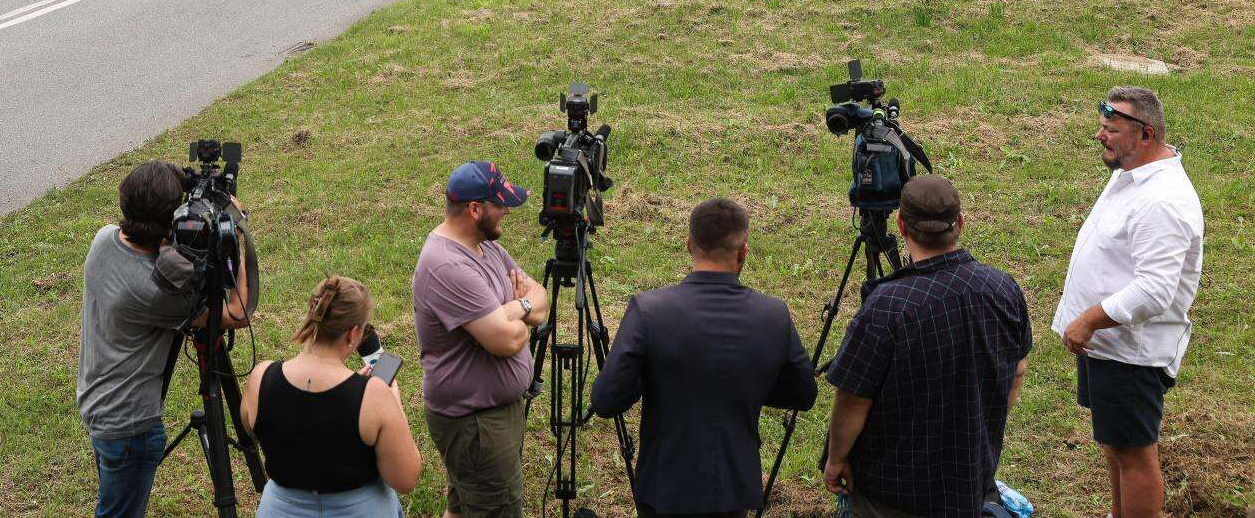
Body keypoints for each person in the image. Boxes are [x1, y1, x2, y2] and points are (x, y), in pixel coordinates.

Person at [590, 198, 817, 518]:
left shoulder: (649, 310)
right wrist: (750, 384)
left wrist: (651, 376)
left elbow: (606, 400)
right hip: (734, 488)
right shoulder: (773, 315)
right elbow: (803, 394)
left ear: (688, 245)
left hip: (664, 487)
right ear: (743, 252)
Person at [823, 176, 1032, 518]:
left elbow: (855, 398)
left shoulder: (886, 305)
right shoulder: (1002, 288)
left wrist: (836, 458)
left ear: (901, 225)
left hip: (891, 491)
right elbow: (1018, 369)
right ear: (960, 223)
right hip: (969, 476)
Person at [1051, 87, 1203, 518]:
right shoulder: (1130, 170)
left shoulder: (1163, 201)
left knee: (1134, 455)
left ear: (1146, 134)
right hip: (1109, 345)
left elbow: (1156, 289)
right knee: (1116, 445)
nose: (1100, 136)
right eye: (1101, 125)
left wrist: (1090, 320)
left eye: (1111, 129)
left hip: (1130, 352)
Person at [78, 160, 252, 518]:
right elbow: (237, 313)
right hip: (131, 427)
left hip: (100, 406)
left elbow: (156, 253)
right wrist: (235, 232)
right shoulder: (156, 294)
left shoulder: (103, 240)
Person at [413, 161, 547, 518]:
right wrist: (521, 311)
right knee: (493, 508)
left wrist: (516, 306)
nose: (506, 212)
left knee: (461, 507)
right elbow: (504, 341)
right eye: (500, 204)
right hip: (476, 424)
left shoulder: (484, 247)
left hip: (485, 417)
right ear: (474, 209)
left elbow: (541, 297)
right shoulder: (448, 266)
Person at [241, 275, 422, 517]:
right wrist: (392, 403)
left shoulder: (261, 377)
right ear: (352, 334)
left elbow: (252, 428)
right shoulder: (374, 396)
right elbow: (405, 478)